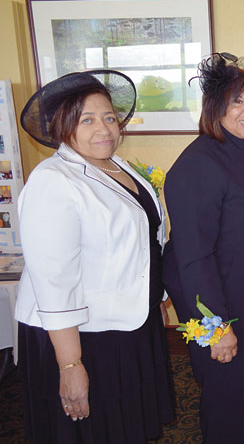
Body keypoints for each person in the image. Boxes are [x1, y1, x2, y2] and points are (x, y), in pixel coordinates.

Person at [15, 70, 175, 443]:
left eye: (108, 117)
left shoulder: (117, 166)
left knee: (124, 425)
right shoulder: (54, 180)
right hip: (82, 337)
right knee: (92, 430)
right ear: (62, 126)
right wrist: (71, 365)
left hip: (127, 323)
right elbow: (54, 282)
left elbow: (143, 242)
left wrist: (157, 299)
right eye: (86, 119)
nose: (103, 128)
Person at [162, 53, 244, 444]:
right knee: (227, 408)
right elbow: (192, 257)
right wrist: (218, 329)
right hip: (223, 310)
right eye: (237, 101)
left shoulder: (243, 151)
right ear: (215, 108)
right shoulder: (199, 164)